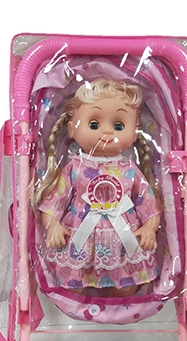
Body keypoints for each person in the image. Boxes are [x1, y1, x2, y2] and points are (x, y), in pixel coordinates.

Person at [33, 79, 161, 297]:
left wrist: (150, 228)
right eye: (94, 124)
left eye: (119, 126)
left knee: (127, 286)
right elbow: (55, 199)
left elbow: (148, 202)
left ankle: (121, 304)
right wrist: (53, 225)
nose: (107, 132)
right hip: (80, 238)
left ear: (134, 132)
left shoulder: (130, 170)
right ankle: (77, 302)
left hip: (123, 241)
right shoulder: (75, 167)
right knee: (73, 283)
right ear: (72, 128)